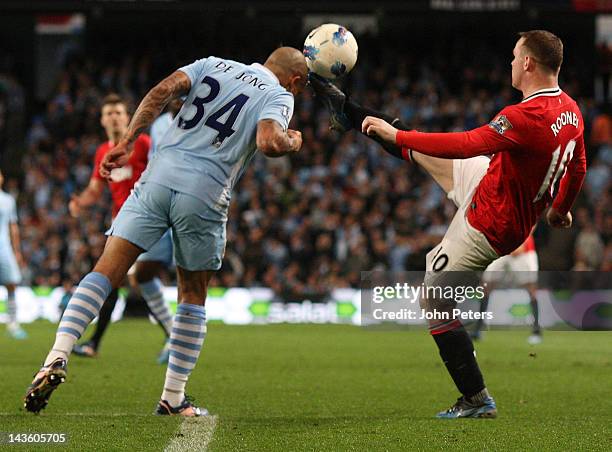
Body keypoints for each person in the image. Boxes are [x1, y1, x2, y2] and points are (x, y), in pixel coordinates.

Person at [310, 30, 586, 418]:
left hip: (491, 222)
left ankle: (476, 398)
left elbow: (470, 142)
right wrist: (559, 208)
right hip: (493, 183)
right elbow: (578, 165)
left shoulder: (523, 116)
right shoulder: (571, 110)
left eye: (513, 56)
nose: (510, 62)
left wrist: (400, 133)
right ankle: (347, 110)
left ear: (527, 63)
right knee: (419, 151)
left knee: (435, 299)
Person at [24, 47, 307, 416]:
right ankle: (173, 397)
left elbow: (161, 91)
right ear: (295, 80)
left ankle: (56, 355)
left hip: (157, 177)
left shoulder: (212, 64)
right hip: (204, 193)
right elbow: (269, 141)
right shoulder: (278, 95)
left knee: (105, 270)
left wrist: (127, 141)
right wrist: (294, 141)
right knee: (192, 292)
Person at [68, 94, 173, 361]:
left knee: (132, 277)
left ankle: (173, 334)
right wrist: (80, 202)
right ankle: (170, 334)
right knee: (115, 280)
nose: (115, 117)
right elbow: (95, 189)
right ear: (103, 120)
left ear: (128, 118)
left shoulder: (144, 144)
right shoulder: (103, 152)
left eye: (118, 112)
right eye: (109, 113)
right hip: (121, 222)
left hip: (149, 218)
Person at [476, 233, 542, 344]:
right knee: (486, 286)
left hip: (523, 249)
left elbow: (532, 223)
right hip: (501, 247)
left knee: (531, 289)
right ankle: (477, 330)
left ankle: (536, 331)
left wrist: (522, 241)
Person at [0, 170, 26, 339]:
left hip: (4, 248)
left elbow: (13, 226)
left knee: (12, 284)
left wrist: (17, 251)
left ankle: (13, 322)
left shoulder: (8, 200)